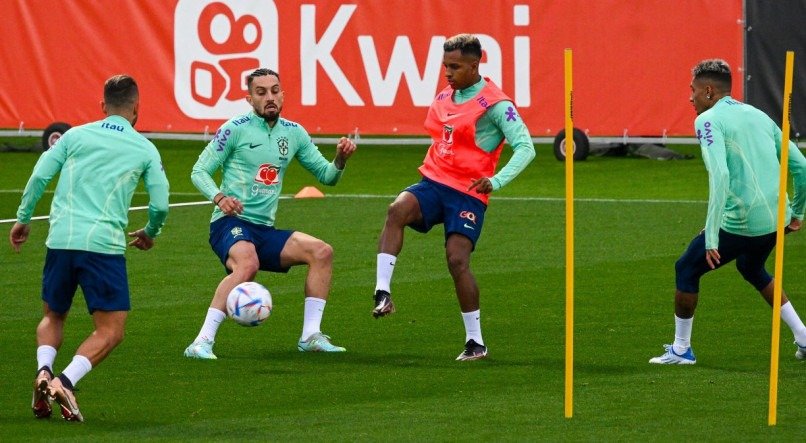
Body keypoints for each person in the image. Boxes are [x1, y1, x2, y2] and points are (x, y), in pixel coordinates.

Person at [9, 74, 170, 421]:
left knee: (53, 315)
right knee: (111, 330)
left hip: (60, 242)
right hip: (102, 248)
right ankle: (64, 381)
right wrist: (150, 231)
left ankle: (43, 371)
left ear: (102, 106)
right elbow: (159, 204)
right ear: (136, 108)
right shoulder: (144, 148)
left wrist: (23, 218)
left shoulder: (74, 136)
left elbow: (39, 176)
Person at [371, 34, 536, 361]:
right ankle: (382, 292)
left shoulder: (497, 104)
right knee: (397, 209)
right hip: (433, 182)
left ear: (475, 65)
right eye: (446, 66)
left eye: (455, 67)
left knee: (457, 259)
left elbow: (526, 147)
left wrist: (496, 180)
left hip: (469, 192)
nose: (447, 73)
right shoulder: (446, 94)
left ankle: (475, 342)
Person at [184, 68, 356, 360]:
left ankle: (310, 336)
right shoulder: (234, 128)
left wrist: (340, 159)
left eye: (275, 90)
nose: (270, 97)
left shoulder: (294, 133)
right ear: (249, 98)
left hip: (264, 229)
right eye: (261, 92)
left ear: (283, 94)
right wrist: (220, 197)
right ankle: (201, 342)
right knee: (248, 263)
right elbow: (199, 171)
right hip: (230, 224)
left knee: (322, 252)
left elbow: (327, 177)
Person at [650, 59, 806, 365]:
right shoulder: (758, 115)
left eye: (692, 91)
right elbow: (801, 166)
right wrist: (797, 213)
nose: (689, 98)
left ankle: (681, 349)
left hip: (742, 222)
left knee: (687, 268)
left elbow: (719, 176)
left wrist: (711, 235)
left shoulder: (707, 120)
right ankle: (803, 335)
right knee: (751, 267)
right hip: (775, 220)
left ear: (708, 91)